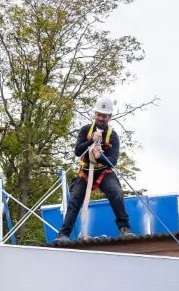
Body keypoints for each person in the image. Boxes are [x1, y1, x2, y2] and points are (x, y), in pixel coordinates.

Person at [56, 95, 134, 243]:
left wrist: (100, 156)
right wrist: (90, 141)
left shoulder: (113, 136)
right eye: (99, 115)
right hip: (85, 171)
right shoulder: (86, 130)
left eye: (104, 116)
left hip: (104, 171)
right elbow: (78, 151)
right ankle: (63, 234)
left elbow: (112, 162)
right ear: (95, 114)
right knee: (75, 199)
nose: (100, 118)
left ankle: (124, 228)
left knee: (116, 193)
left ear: (109, 117)